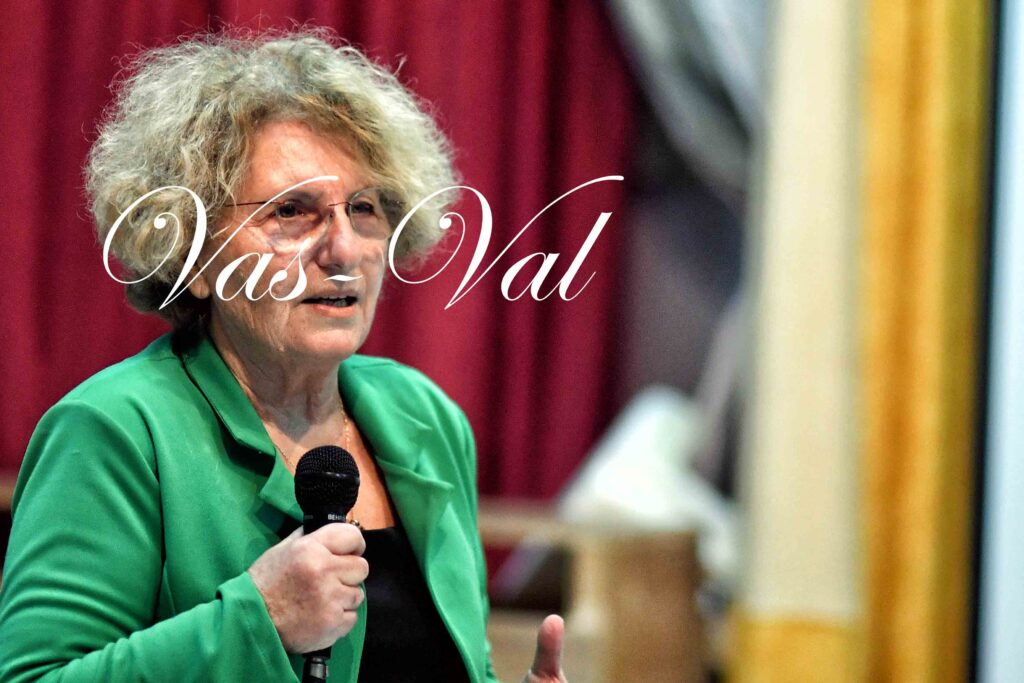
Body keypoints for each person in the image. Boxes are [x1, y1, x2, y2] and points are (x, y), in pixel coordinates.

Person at [0, 30, 567, 683]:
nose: (343, 249)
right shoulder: (114, 430)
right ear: (194, 256)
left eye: (363, 207)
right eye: (293, 211)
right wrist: (260, 620)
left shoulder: (424, 418)